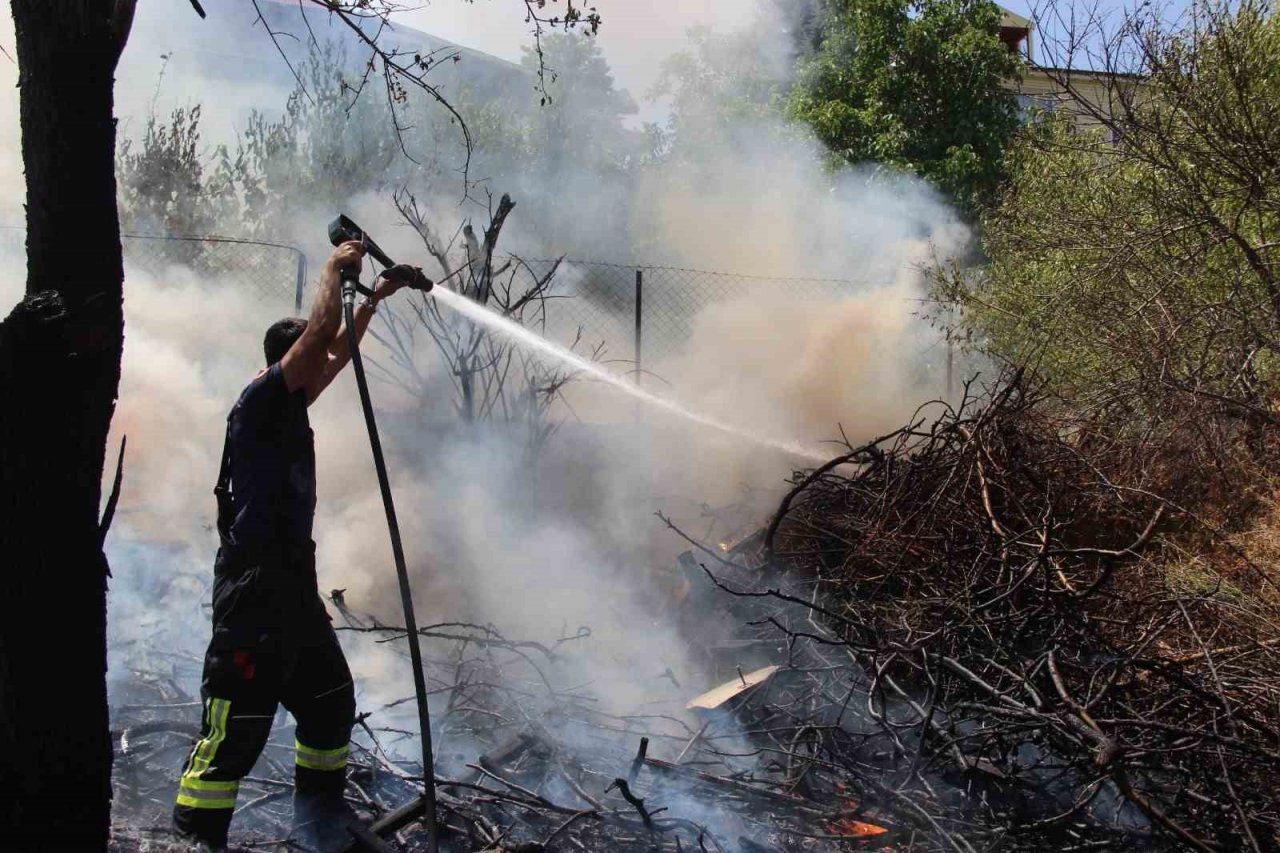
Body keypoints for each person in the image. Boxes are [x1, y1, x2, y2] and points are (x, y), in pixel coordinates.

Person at [172, 241, 422, 851]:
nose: (323, 370)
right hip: (254, 594)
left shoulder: (293, 402)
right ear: (289, 359)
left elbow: (337, 349)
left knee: (330, 704)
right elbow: (323, 332)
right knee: (237, 730)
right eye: (309, 358)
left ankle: (318, 824)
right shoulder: (261, 400)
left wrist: (379, 297)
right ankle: (194, 837)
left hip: (291, 590)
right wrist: (336, 269)